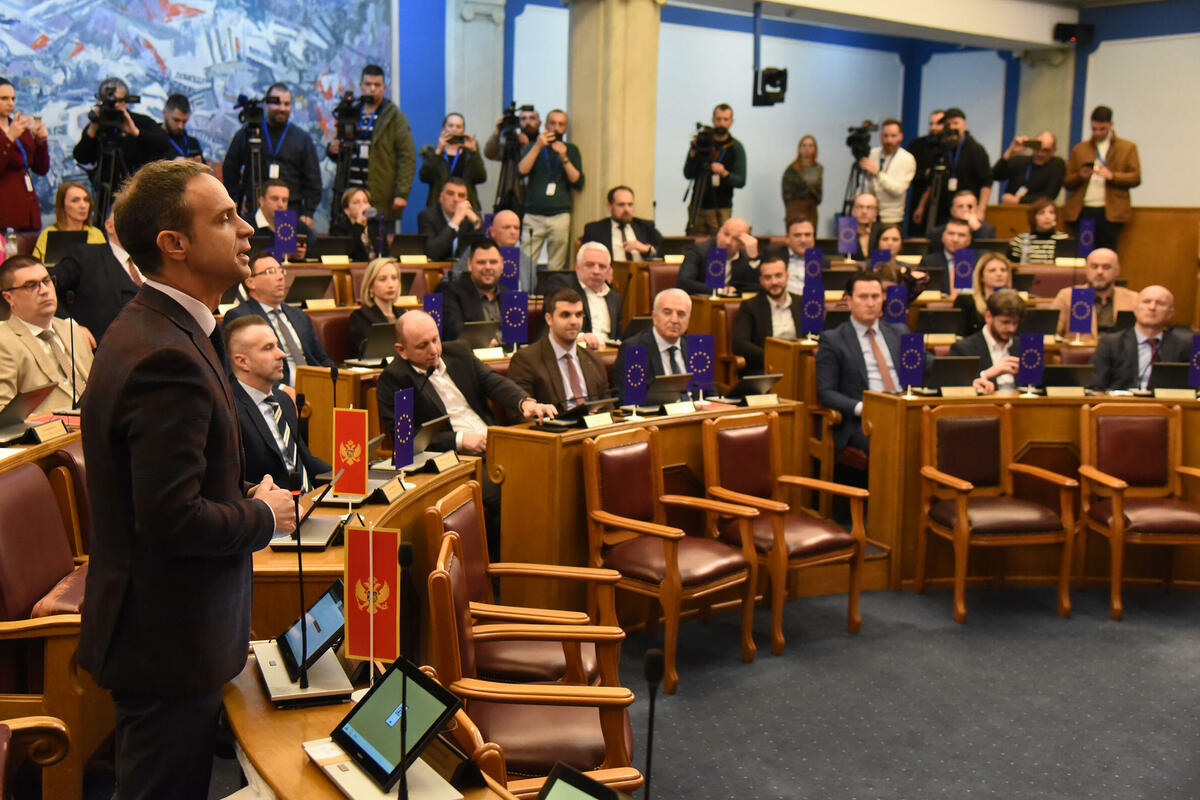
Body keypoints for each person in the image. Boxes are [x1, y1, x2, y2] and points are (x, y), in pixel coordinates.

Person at [78, 159, 296, 799]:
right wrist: (265, 515)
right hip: (168, 640)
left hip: (171, 631)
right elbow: (171, 520)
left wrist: (238, 493)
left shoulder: (169, 327)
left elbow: (176, 481)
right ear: (174, 244)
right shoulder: (165, 354)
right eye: (225, 218)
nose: (247, 229)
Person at [375, 310, 555, 555]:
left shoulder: (458, 352)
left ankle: (545, 554)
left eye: (435, 340)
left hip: (495, 446)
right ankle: (505, 563)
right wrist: (460, 440)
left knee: (546, 472)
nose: (434, 350)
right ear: (402, 350)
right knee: (509, 491)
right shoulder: (395, 380)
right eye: (422, 346)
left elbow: (493, 382)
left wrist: (524, 402)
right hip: (457, 462)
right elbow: (408, 441)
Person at [227, 314, 330, 488]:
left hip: (309, 498)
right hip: (272, 501)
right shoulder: (229, 410)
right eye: (268, 348)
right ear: (243, 362)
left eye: (277, 345)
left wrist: (350, 475)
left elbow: (305, 461)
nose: (281, 354)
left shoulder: (283, 399)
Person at [815, 271, 909, 452]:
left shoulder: (899, 332)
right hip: (862, 420)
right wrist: (863, 408)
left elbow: (925, 364)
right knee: (889, 439)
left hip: (903, 409)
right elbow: (826, 393)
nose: (871, 303)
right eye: (863, 297)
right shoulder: (833, 340)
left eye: (875, 296)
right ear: (849, 301)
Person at [0, 255, 94, 414]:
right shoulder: (4, 342)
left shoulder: (73, 331)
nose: (44, 290)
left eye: (46, 281)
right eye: (31, 286)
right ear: (9, 297)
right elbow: (3, 417)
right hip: (52, 428)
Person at [222, 251, 334, 384]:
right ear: (250, 282)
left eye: (281, 271)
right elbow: (236, 370)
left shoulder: (299, 315)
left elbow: (322, 359)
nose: (280, 277)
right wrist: (280, 390)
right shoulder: (240, 317)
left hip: (316, 384)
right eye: (271, 272)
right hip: (275, 389)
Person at [326, 65, 415, 227]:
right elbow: (340, 148)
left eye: (377, 85)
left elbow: (407, 157)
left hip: (379, 195)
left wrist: (401, 193)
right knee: (346, 239)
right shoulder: (350, 112)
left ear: (384, 88)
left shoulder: (395, 117)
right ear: (361, 85)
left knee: (378, 238)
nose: (372, 89)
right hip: (349, 194)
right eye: (368, 84)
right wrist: (332, 149)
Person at [223, 82, 321, 227]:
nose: (282, 108)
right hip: (254, 209)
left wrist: (308, 213)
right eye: (277, 103)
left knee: (284, 243)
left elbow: (313, 180)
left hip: (288, 211)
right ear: (267, 104)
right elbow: (230, 168)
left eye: (287, 104)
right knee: (252, 242)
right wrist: (235, 201)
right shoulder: (248, 132)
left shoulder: (302, 139)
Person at [72, 77, 169, 218]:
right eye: (108, 102)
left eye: (118, 101)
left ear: (126, 101)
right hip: (106, 196)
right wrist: (93, 128)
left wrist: (136, 132)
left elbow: (163, 143)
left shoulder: (140, 122)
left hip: (138, 193)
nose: (114, 106)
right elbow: (81, 156)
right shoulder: (96, 126)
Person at [507, 288, 611, 409]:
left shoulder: (593, 359)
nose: (574, 321)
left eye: (578, 315)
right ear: (549, 319)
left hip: (592, 421)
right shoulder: (525, 360)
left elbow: (608, 407)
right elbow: (520, 414)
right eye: (565, 315)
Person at [51, 211, 143, 342]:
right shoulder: (86, 255)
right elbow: (46, 284)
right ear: (109, 226)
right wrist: (70, 326)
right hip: (105, 346)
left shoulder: (155, 259)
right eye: (128, 219)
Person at [1063, 105, 1140, 252]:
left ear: (1111, 125)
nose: (1097, 133)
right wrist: (1080, 175)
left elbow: (1135, 177)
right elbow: (1067, 181)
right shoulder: (1080, 149)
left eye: (1102, 129)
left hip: (1111, 211)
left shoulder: (1127, 148)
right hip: (1085, 209)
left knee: (1107, 253)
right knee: (1084, 252)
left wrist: (1113, 176)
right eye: (1094, 129)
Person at [1087, 285, 1189, 392]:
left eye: (1160, 304)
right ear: (1135, 309)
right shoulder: (1110, 344)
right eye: (1146, 302)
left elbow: (1193, 389)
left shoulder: (1184, 346)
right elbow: (1094, 386)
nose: (1152, 307)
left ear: (1170, 313)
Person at [518, 109, 584, 270]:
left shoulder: (571, 149)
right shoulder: (533, 147)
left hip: (560, 215)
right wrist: (537, 146)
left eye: (561, 124)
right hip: (533, 214)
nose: (556, 128)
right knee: (526, 263)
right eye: (552, 123)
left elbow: (577, 181)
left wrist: (564, 158)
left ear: (566, 128)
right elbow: (521, 171)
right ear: (545, 125)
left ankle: (553, 287)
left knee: (556, 264)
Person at [912, 107, 992, 229]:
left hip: (966, 209)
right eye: (948, 124)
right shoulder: (942, 149)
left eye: (955, 123)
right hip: (943, 209)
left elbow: (986, 182)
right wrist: (921, 206)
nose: (952, 127)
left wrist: (981, 210)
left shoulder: (976, 150)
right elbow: (932, 181)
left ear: (964, 125)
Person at [732, 250, 803, 372]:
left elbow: (814, 336)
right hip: (766, 366)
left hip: (799, 365)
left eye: (778, 276)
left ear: (787, 276)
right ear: (761, 281)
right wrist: (774, 356)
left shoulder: (801, 303)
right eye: (768, 277)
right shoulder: (750, 306)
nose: (774, 282)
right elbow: (740, 344)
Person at [613, 288, 692, 394]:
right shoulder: (634, 349)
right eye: (667, 313)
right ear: (654, 316)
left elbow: (708, 394)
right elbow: (630, 398)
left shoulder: (696, 348)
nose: (674, 320)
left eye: (681, 314)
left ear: (689, 318)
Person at [1049, 247, 1137, 340]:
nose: (1099, 272)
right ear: (1086, 269)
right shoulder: (1067, 296)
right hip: (1081, 349)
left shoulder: (1133, 299)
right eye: (1094, 267)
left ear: (1117, 271)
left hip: (1118, 349)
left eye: (1106, 267)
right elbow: (1051, 334)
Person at [949, 288, 1025, 394]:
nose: (1011, 329)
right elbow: (954, 387)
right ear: (988, 316)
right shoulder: (963, 349)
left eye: (1015, 323)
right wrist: (986, 375)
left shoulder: (1023, 346)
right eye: (1005, 322)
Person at [685, 103, 747, 234]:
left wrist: (724, 173)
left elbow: (741, 181)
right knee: (694, 242)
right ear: (713, 120)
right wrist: (692, 156)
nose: (721, 123)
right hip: (698, 206)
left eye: (725, 119)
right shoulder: (702, 142)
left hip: (721, 208)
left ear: (731, 122)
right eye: (718, 119)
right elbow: (688, 173)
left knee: (722, 242)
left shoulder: (735, 147)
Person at [551, 241, 623, 348]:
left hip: (607, 352)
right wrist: (579, 337)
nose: (596, 271)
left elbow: (617, 336)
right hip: (576, 350)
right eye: (590, 265)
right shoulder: (562, 285)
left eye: (602, 266)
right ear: (577, 267)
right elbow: (553, 326)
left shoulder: (614, 298)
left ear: (609, 271)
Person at [0, 77, 49, 231]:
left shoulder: (20, 127)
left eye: (13, 98)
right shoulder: (15, 130)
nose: (11, 103)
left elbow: (41, 169)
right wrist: (9, 138)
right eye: (4, 98)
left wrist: (41, 142)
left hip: (28, 211)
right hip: (4, 214)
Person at [438, 238, 509, 342]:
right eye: (481, 262)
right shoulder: (451, 293)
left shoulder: (510, 295)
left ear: (502, 264)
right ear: (470, 264)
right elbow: (454, 333)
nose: (488, 267)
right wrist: (484, 341)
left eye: (493, 262)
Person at [450, 209, 536, 292]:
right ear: (492, 231)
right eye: (506, 227)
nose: (513, 232)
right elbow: (451, 278)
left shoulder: (528, 263)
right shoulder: (476, 251)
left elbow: (532, 293)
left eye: (516, 228)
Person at [677, 216, 761, 296]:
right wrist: (719, 291)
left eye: (736, 238)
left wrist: (753, 258)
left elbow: (756, 287)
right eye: (726, 234)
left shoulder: (746, 258)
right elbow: (685, 282)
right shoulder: (697, 251)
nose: (728, 242)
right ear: (719, 231)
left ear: (743, 242)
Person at [419, 112, 487, 211]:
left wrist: (473, 152)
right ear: (443, 128)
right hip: (439, 207)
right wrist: (438, 150)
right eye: (450, 125)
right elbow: (425, 177)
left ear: (463, 130)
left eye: (458, 126)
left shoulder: (469, 154)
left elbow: (481, 177)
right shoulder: (433, 153)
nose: (454, 129)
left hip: (466, 205)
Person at [579, 185, 665, 262]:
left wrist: (647, 249)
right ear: (609, 206)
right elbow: (585, 258)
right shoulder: (595, 230)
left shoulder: (645, 227)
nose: (626, 209)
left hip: (641, 273)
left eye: (630, 204)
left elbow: (664, 250)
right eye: (621, 205)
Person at [31, 182, 107, 261]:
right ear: (63, 206)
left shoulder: (96, 234)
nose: (83, 206)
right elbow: (37, 266)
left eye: (86, 200)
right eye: (75, 200)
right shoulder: (48, 234)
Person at [348, 257, 406, 357]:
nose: (391, 285)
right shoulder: (360, 317)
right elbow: (367, 352)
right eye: (383, 279)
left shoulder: (404, 314)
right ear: (371, 286)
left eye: (394, 278)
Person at [860, 119, 915, 226]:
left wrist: (877, 174)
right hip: (870, 216)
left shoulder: (907, 159)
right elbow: (865, 184)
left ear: (901, 137)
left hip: (891, 217)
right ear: (881, 137)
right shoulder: (872, 154)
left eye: (893, 136)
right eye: (885, 136)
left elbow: (898, 189)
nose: (889, 140)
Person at [418, 177, 479, 262]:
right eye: (450, 194)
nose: (456, 199)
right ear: (441, 197)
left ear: (466, 200)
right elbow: (431, 253)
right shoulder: (427, 216)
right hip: (437, 268)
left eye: (461, 195)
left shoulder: (473, 217)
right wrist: (456, 220)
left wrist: (477, 223)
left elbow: (484, 250)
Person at [993, 131, 1064, 204]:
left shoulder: (1057, 165)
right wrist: (1011, 151)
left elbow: (1049, 195)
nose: (1040, 153)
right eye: (1037, 148)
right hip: (1010, 208)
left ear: (1054, 150)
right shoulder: (1020, 161)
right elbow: (995, 175)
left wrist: (1018, 201)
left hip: (1037, 209)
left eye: (1045, 150)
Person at [954, 252, 1014, 336]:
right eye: (992, 270)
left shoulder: (1015, 303)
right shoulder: (966, 302)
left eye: (1003, 270)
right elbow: (960, 337)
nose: (999, 274)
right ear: (981, 276)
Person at [252, 179, 312, 259]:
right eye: (275, 199)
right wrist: (279, 254)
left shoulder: (296, 224)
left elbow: (315, 247)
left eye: (284, 200)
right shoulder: (247, 225)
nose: (280, 204)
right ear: (261, 200)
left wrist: (302, 254)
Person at [907, 109, 945, 232]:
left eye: (938, 123)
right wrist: (925, 173)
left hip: (942, 204)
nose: (934, 128)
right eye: (931, 123)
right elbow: (908, 174)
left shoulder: (949, 148)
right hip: (918, 196)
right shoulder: (917, 145)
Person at [918, 217, 972, 294]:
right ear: (943, 237)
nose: (955, 239)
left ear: (969, 240)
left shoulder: (977, 261)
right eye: (951, 234)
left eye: (961, 235)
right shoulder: (928, 262)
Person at [1008, 197, 1068, 264]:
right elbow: (1014, 265)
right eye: (1041, 213)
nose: (1047, 217)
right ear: (1033, 217)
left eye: (1051, 213)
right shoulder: (1021, 239)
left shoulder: (1063, 239)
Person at [781, 134, 822, 227]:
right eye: (804, 145)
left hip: (812, 208)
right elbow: (786, 194)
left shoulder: (818, 169)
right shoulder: (791, 170)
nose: (807, 149)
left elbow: (819, 192)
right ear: (799, 149)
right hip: (795, 207)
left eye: (810, 146)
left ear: (815, 149)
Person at [927, 190, 997, 243]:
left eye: (970, 206)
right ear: (952, 210)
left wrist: (977, 229)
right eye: (960, 206)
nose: (965, 210)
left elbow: (985, 252)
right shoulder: (937, 232)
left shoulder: (988, 230)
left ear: (977, 209)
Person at [330, 186, 377, 262]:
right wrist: (359, 223)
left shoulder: (375, 228)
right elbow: (347, 253)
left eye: (365, 201)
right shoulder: (338, 230)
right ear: (347, 211)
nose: (362, 206)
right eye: (356, 202)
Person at [783, 217, 827, 295]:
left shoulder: (824, 261)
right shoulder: (776, 257)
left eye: (807, 235)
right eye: (797, 235)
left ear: (813, 238)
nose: (803, 240)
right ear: (787, 238)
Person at [161, 93, 205, 162]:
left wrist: (199, 165)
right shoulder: (151, 140)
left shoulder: (192, 142)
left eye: (184, 121)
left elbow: (206, 168)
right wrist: (172, 165)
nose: (180, 126)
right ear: (165, 113)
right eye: (176, 120)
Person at [847, 192, 879, 261]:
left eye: (869, 208)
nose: (864, 211)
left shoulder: (882, 234)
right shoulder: (845, 232)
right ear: (853, 211)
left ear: (876, 212)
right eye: (860, 207)